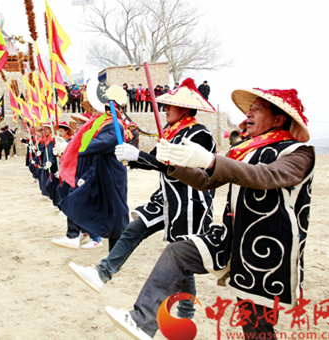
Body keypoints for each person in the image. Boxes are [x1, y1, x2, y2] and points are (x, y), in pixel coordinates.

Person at [104, 87, 314, 340]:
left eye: (256, 109)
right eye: (249, 110)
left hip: (266, 251)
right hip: (231, 237)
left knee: (256, 327)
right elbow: (205, 180)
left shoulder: (298, 154)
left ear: (279, 119)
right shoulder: (245, 151)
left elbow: (265, 176)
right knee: (178, 251)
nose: (247, 115)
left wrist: (211, 160)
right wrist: (174, 165)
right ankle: (142, 320)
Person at [69, 78, 217, 323]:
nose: (165, 109)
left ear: (185, 110)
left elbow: (180, 167)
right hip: (165, 198)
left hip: (190, 201)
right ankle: (103, 273)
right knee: (133, 230)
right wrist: (131, 157)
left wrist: (140, 155)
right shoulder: (171, 133)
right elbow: (154, 161)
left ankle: (186, 313)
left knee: (181, 257)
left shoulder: (201, 135)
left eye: (171, 105)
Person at [56, 80, 129, 251]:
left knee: (116, 213)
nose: (92, 112)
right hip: (101, 174)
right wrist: (87, 177)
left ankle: (116, 252)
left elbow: (99, 145)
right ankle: (80, 235)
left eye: (94, 108)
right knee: (81, 201)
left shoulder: (114, 125)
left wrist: (70, 147)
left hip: (112, 176)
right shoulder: (105, 124)